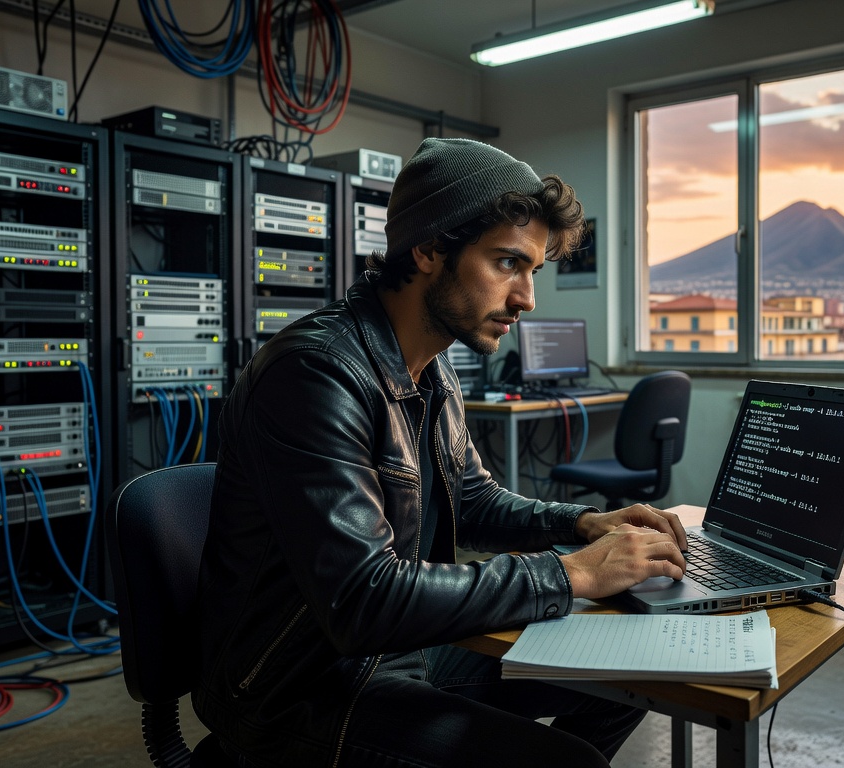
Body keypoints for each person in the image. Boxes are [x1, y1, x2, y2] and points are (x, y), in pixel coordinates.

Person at [195, 137, 689, 768]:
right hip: (300, 689)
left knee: (635, 671)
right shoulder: (314, 373)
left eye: (532, 270)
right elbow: (363, 598)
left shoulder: (433, 366)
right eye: (508, 263)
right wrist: (575, 573)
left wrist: (582, 522)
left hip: (402, 654)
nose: (527, 298)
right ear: (428, 248)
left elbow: (472, 498)